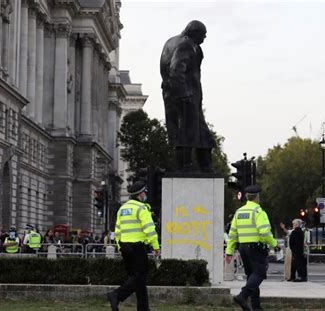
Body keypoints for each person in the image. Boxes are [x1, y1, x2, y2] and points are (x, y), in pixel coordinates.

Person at [160, 20, 216, 172]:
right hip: (185, 96)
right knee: (188, 133)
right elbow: (176, 70)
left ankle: (199, 165)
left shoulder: (171, 41)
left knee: (188, 133)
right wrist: (184, 95)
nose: (204, 39)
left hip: (172, 95)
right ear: (195, 32)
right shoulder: (186, 44)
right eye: (203, 35)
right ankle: (193, 167)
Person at [107, 181, 160, 311]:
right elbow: (149, 229)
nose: (145, 194)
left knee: (138, 279)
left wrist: (120, 247)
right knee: (139, 278)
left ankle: (143, 308)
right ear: (140, 194)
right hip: (137, 248)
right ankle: (116, 295)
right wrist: (156, 247)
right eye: (144, 192)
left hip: (125, 248)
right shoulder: (142, 209)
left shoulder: (122, 209)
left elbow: (117, 231)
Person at [225, 185, 278, 311]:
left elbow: (232, 234)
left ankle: (256, 306)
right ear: (257, 197)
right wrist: (275, 244)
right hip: (256, 248)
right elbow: (265, 232)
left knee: (251, 276)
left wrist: (229, 251)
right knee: (259, 274)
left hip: (243, 248)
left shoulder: (239, 212)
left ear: (247, 197)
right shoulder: (258, 212)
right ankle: (242, 296)